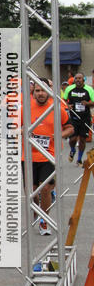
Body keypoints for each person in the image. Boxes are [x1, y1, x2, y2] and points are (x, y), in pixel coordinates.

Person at [22, 80, 73, 235]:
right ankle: (37, 213)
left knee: (44, 188)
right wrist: (21, 132)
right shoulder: (25, 109)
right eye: (37, 90)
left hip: (49, 156)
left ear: (49, 90)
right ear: (33, 92)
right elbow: (15, 129)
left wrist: (58, 135)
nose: (41, 93)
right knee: (31, 192)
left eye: (43, 90)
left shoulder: (57, 109)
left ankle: (44, 221)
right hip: (28, 156)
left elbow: (70, 128)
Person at [63, 73, 94, 166]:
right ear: (74, 80)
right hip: (73, 117)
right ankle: (72, 150)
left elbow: (93, 102)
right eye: (76, 78)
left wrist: (87, 104)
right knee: (72, 139)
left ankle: (79, 159)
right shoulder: (69, 89)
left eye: (80, 78)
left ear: (83, 80)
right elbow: (63, 101)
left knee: (83, 140)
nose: (78, 80)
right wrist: (67, 105)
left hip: (85, 118)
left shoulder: (89, 89)